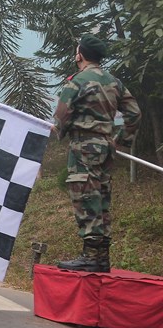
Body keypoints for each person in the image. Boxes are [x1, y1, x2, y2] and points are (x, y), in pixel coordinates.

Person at [54, 34, 141, 272]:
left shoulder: (77, 81)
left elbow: (62, 115)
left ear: (80, 54)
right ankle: (102, 257)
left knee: (85, 195)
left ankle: (91, 256)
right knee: (101, 197)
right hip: (105, 147)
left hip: (83, 147)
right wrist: (119, 141)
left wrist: (59, 130)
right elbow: (134, 113)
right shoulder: (114, 82)